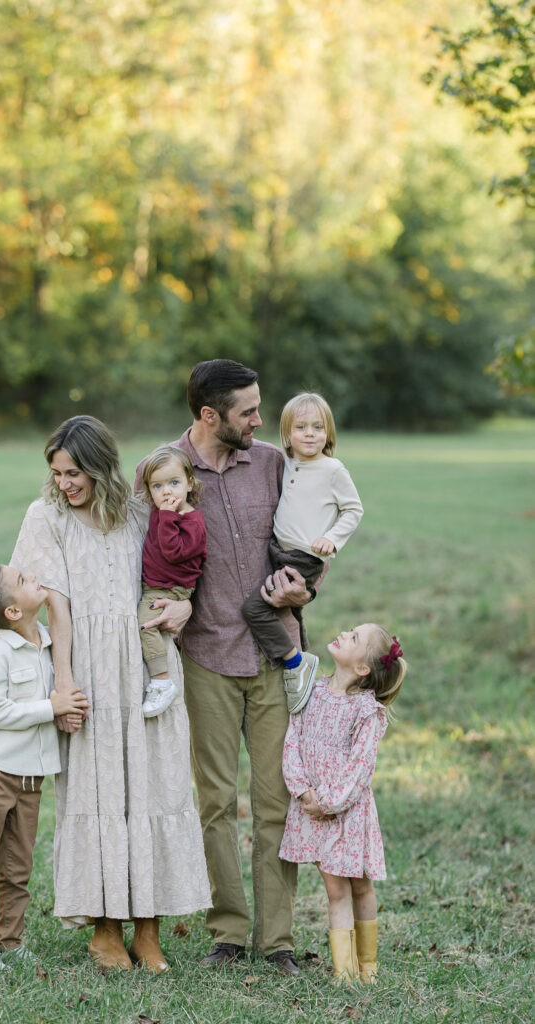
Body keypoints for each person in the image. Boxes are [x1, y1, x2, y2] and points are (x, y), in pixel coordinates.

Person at [135, 359, 319, 976]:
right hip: (206, 658)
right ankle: (229, 933)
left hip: (274, 655)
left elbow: (306, 541)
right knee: (215, 803)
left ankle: (280, 942)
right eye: (248, 411)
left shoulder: (271, 462)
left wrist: (303, 591)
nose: (261, 420)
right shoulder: (166, 471)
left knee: (277, 803)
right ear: (210, 415)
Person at [10, 415, 211, 974]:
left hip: (148, 664)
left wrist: (186, 605)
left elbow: (178, 570)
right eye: (56, 472)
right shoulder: (45, 515)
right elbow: (52, 606)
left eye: (74, 472)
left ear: (101, 467)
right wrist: (65, 678)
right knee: (98, 792)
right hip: (89, 667)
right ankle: (104, 930)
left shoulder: (139, 508)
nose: (65, 483)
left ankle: (147, 930)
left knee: (153, 785)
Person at [0, 564, 86, 968]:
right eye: (22, 581)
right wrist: (52, 707)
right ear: (13, 612)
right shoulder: (1, 654)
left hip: (30, 780)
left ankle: (10, 942)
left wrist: (64, 709)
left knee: (17, 867)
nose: (32, 575)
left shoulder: (49, 643)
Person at [279, 624, 407, 985]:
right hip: (313, 807)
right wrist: (303, 791)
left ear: (363, 668)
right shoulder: (312, 691)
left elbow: (360, 767)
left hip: (348, 813)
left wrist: (330, 803)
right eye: (349, 630)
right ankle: (344, 972)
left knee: (361, 886)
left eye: (354, 638)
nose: (344, 634)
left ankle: (368, 966)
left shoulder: (366, 711)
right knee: (336, 891)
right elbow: (292, 741)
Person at [242, 392, 363, 715]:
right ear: (287, 435)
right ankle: (299, 659)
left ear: (328, 433)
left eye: (318, 427)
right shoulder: (288, 463)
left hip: (303, 558)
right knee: (287, 611)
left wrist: (331, 539)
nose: (310, 434)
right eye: (301, 427)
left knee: (255, 609)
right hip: (279, 551)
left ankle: (296, 662)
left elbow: (353, 510)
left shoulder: (332, 469)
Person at [136, 445, 207, 718]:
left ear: (190, 483)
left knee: (145, 625)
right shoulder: (162, 511)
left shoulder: (192, 522)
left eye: (174, 483)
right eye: (158, 486)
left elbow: (173, 551)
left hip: (171, 587)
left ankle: (162, 681)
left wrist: (166, 517)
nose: (166, 492)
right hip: (156, 583)